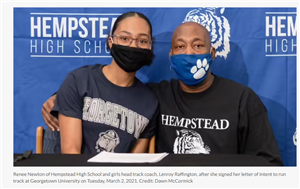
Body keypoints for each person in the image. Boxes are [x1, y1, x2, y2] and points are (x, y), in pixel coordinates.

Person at [43, 22, 283, 165]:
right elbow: (113, 93)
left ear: (212, 53)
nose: (188, 53)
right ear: (170, 56)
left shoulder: (242, 99)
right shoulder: (155, 96)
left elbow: (268, 163)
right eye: (180, 47)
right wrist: (60, 96)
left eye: (198, 46)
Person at [47, 11, 158, 154]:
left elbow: (135, 163)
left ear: (149, 47)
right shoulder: (78, 81)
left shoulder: (150, 102)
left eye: (142, 41)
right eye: (125, 38)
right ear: (111, 41)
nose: (133, 46)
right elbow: (71, 153)